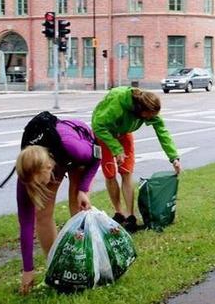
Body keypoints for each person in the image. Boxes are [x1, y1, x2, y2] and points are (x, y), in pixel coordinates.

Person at [16, 118, 99, 295]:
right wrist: (28, 270)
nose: (39, 188)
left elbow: (97, 155)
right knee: (42, 214)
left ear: (49, 168)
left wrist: (84, 189)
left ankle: (84, 266)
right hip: (54, 154)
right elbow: (26, 223)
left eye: (40, 183)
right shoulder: (27, 170)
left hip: (79, 142)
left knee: (77, 205)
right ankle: (57, 271)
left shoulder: (74, 149)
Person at [91, 87, 182, 232]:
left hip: (124, 132)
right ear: (141, 109)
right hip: (105, 134)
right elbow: (98, 125)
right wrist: (116, 149)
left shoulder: (149, 111)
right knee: (110, 173)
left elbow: (162, 132)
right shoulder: (118, 104)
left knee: (126, 172)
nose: (150, 118)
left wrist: (174, 158)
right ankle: (119, 213)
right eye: (149, 115)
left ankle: (130, 216)